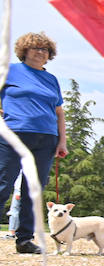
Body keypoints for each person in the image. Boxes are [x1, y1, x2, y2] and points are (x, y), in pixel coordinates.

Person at [0, 32, 68, 254]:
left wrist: (62, 142)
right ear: (24, 50)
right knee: (3, 184)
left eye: (45, 49)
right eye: (36, 48)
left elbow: (59, 112)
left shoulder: (51, 80)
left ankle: (25, 240)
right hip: (13, 134)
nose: (41, 52)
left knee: (33, 190)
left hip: (46, 138)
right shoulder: (9, 71)